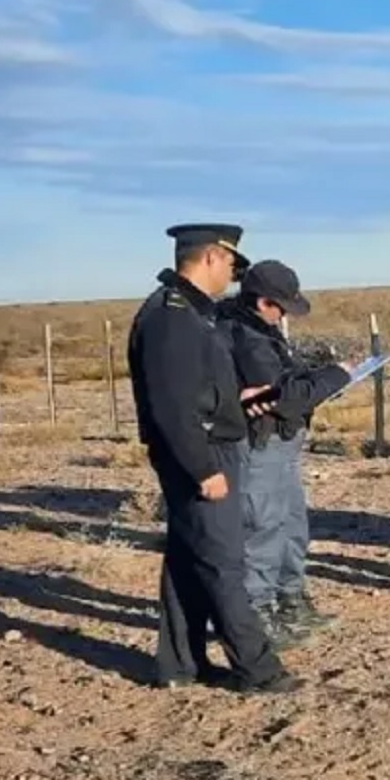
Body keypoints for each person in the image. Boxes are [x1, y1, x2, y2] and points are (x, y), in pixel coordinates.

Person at [128, 223, 299, 693]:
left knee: (188, 558)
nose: (232, 273)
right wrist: (203, 469)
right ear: (208, 259)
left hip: (212, 446)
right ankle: (256, 669)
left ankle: (180, 664)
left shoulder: (195, 315)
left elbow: (198, 390)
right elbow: (171, 405)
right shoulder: (172, 317)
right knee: (224, 563)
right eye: (229, 263)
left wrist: (236, 399)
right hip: (201, 456)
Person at [217, 259, 353, 646]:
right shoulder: (246, 336)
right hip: (260, 446)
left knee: (292, 526)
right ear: (263, 302)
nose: (283, 316)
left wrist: (316, 377)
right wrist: (337, 375)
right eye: (281, 307)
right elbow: (285, 397)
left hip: (281, 445)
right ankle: (257, 616)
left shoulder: (260, 330)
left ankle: (289, 599)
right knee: (262, 528)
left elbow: (287, 381)